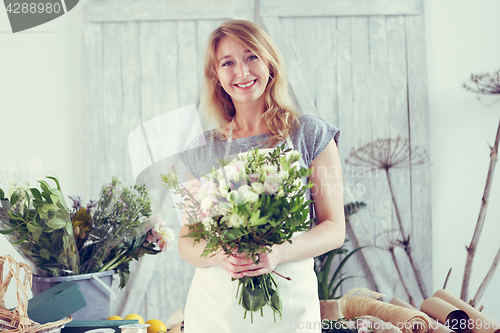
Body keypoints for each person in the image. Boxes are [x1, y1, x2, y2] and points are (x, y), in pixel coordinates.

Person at [179, 19, 345, 332]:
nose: (241, 72)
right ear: (216, 76)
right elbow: (187, 238)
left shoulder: (309, 135)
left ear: (270, 62)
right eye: (228, 62)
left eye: (251, 56)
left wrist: (280, 252)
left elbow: (334, 228)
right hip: (216, 313)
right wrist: (221, 256)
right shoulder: (202, 149)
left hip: (291, 310)